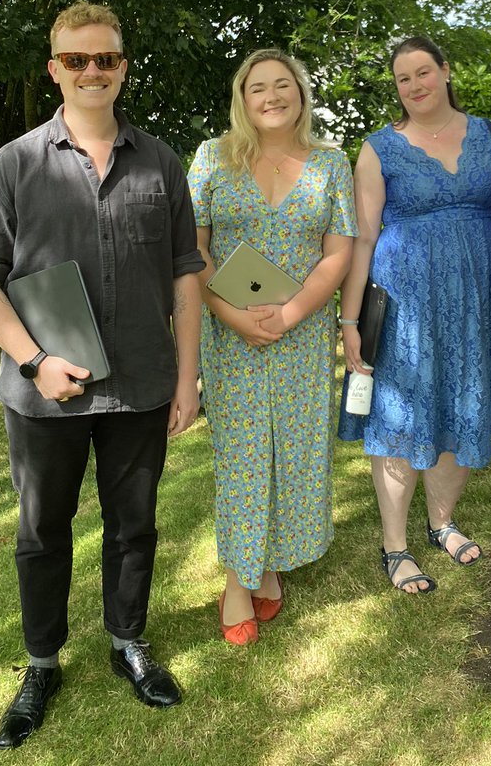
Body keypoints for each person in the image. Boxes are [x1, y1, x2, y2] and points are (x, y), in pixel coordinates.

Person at [0, 1, 204, 749]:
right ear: (54, 68)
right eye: (76, 60)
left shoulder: (159, 162)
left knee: (135, 527)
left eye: (107, 58)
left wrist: (188, 377)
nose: (93, 71)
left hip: (140, 382)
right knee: (41, 532)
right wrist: (33, 359)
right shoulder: (14, 165)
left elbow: (187, 273)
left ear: (124, 65)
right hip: (42, 392)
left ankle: (128, 643)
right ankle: (41, 664)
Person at [187, 48, 356, 644]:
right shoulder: (212, 158)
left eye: (283, 85)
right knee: (243, 454)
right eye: (258, 87)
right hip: (230, 335)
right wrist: (232, 314)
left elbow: (338, 252)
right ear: (243, 98)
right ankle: (240, 578)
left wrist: (289, 313)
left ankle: (272, 563)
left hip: (302, 334)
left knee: (293, 450)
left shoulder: (332, 165)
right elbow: (192, 250)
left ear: (301, 95)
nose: (272, 96)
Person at [338, 36, 491, 594]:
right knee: (399, 415)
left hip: (477, 300)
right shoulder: (378, 149)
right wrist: (349, 323)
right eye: (402, 79)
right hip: (405, 303)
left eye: (422, 73)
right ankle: (395, 547)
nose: (414, 86)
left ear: (445, 71)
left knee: (462, 400)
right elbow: (362, 239)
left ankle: (442, 523)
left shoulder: (490, 133)